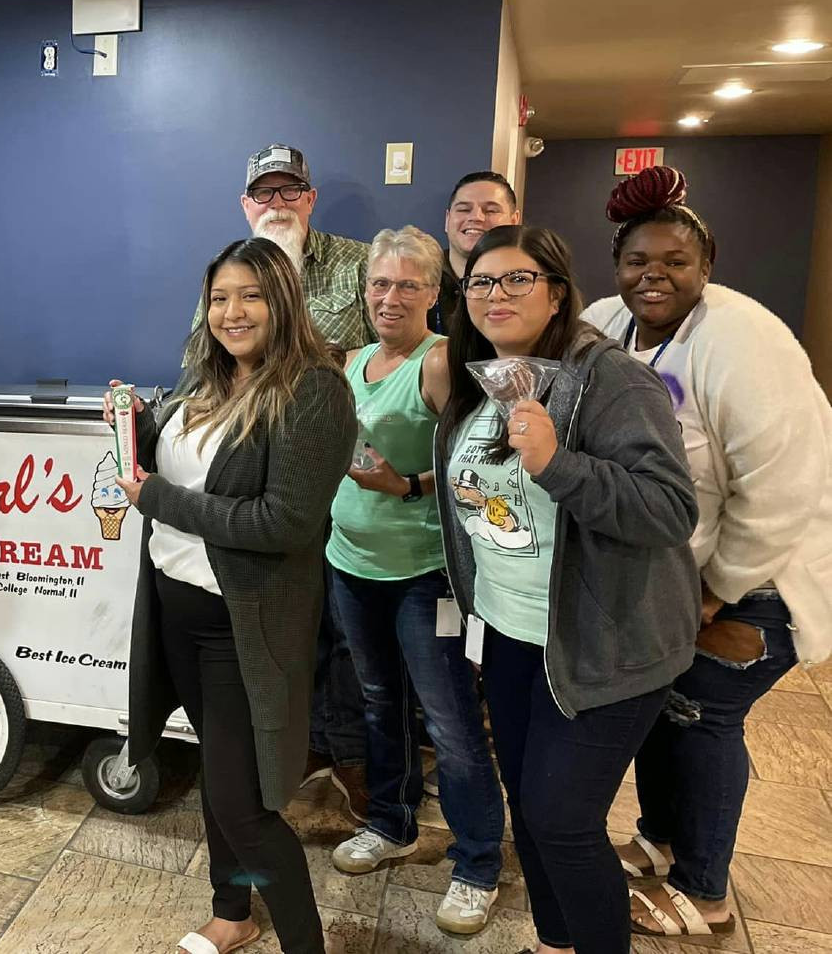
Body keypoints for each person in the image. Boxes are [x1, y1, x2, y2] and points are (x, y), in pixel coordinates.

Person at [581, 166, 832, 939]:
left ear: (707, 263)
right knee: (663, 709)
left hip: (757, 579)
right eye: (637, 262)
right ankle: (659, 840)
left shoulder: (746, 340)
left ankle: (707, 886)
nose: (653, 276)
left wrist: (719, 587)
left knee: (704, 715)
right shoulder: (603, 323)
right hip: (672, 577)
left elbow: (786, 484)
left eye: (675, 262)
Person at [435, 224, 700, 954]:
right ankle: (556, 944)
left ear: (556, 293)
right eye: (482, 282)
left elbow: (670, 509)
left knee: (563, 819)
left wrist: (559, 464)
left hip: (604, 639)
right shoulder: (477, 376)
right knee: (530, 807)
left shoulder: (611, 378)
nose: (497, 294)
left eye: (518, 278)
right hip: (513, 632)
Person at [120, 236, 356, 954]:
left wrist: (159, 498)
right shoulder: (205, 382)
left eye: (250, 294)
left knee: (245, 803)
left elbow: (283, 522)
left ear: (283, 299)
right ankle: (231, 912)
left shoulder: (315, 389)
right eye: (220, 296)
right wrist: (139, 422)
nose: (232, 311)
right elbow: (193, 467)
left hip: (239, 627)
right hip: (175, 610)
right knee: (221, 785)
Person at [323, 227, 505, 935]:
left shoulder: (438, 362)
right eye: (379, 283)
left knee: (452, 722)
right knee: (378, 704)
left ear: (435, 291)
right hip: (351, 565)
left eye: (406, 284)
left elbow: (481, 468)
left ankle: (478, 861)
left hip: (424, 578)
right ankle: (392, 823)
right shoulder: (356, 360)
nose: (389, 297)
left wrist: (403, 485)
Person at [187, 142, 373, 819]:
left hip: (354, 484)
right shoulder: (229, 275)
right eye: (263, 194)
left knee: (345, 636)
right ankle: (300, 751)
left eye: (289, 191)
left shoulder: (357, 262)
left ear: (310, 197)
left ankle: (349, 755)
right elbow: (203, 364)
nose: (277, 205)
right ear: (245, 205)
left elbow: (382, 354)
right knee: (283, 636)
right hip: (251, 479)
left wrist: (295, 347)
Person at [432, 172, 520, 333]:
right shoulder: (420, 277)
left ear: (514, 221)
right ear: (447, 220)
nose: (476, 217)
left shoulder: (530, 284)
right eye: (464, 209)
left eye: (491, 210)